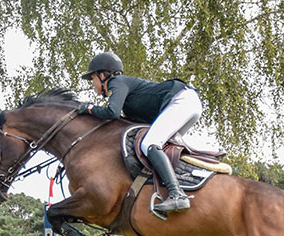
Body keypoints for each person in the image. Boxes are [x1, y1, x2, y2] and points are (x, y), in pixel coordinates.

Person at [79, 52, 202, 217]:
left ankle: (176, 194)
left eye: (93, 78)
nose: (93, 84)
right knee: (161, 148)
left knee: (150, 143)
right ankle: (179, 184)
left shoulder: (117, 81)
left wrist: (88, 109)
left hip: (181, 100)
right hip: (188, 102)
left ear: (103, 75)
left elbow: (112, 112)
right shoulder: (127, 96)